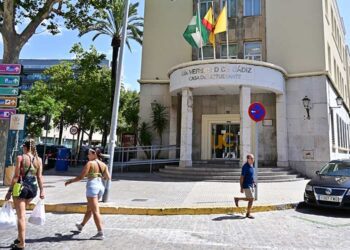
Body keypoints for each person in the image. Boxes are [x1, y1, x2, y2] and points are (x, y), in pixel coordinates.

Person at [5, 139, 45, 250]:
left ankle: (21, 243)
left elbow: (16, 176)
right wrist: (42, 191)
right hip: (33, 189)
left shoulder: (20, 158)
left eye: (23, 146)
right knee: (21, 214)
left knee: (21, 216)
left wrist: (9, 191)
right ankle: (19, 238)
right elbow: (40, 177)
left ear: (25, 147)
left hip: (21, 188)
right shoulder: (39, 160)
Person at [65, 148, 111, 240]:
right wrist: (100, 176)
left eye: (89, 154)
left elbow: (81, 177)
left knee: (95, 211)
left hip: (92, 187)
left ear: (94, 154)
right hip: (100, 187)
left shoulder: (90, 163)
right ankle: (81, 225)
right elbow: (108, 177)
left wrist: (70, 181)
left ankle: (100, 232)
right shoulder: (103, 164)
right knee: (90, 209)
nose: (88, 156)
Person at [234, 153, 255, 219]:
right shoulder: (245, 167)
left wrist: (253, 182)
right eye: (251, 158)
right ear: (248, 159)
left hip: (250, 185)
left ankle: (237, 199)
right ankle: (248, 214)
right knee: (251, 199)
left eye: (253, 158)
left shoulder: (251, 165)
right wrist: (241, 187)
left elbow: (251, 175)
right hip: (246, 185)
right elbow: (241, 178)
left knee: (250, 199)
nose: (253, 160)